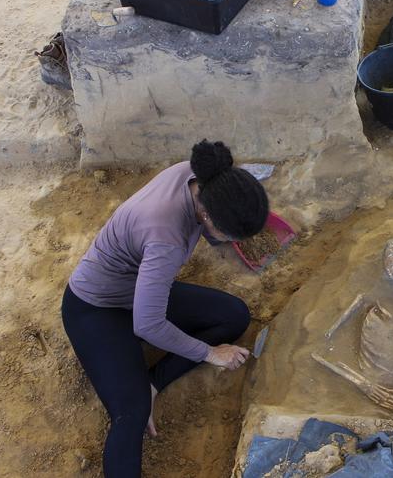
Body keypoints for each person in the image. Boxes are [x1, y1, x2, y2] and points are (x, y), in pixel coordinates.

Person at [61, 140, 269, 477]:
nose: (233, 243)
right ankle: (138, 393)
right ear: (206, 214)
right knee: (131, 412)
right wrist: (210, 354)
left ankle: (153, 381)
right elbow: (148, 324)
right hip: (95, 307)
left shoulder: (201, 177)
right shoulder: (166, 239)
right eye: (230, 235)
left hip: (140, 289)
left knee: (234, 316)